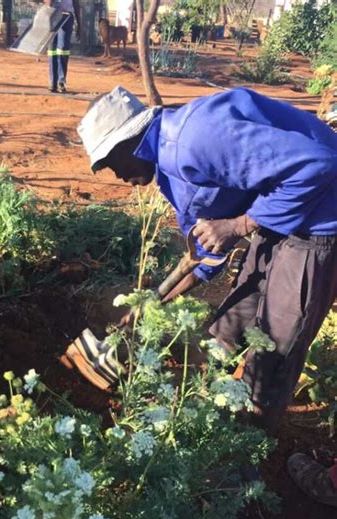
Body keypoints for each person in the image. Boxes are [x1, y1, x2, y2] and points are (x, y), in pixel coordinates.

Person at [77, 86, 336, 436]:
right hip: (280, 209)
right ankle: (208, 400)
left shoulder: (197, 138)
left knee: (275, 346)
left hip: (320, 216)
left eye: (110, 162)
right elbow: (202, 258)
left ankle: (246, 450)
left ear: (128, 141)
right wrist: (148, 308)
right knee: (231, 324)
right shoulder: (168, 171)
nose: (116, 176)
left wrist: (240, 224)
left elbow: (319, 165)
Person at [46, 0, 81, 93]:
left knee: (63, 49)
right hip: (52, 15)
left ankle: (61, 81)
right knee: (52, 50)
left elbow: (76, 3)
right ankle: (52, 82)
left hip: (67, 17)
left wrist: (79, 24)